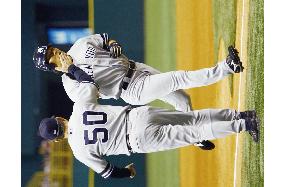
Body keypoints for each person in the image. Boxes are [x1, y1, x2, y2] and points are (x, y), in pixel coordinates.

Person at [38, 61, 259, 179]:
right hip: (139, 114)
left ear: (57, 140)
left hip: (138, 140)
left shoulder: (79, 150)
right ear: (58, 118)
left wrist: (128, 172)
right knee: (193, 118)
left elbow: (108, 172)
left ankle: (244, 124)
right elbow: (88, 82)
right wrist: (72, 69)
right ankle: (240, 115)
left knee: (194, 134)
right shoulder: (79, 108)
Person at [33, 33, 244, 150]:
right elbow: (91, 95)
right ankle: (227, 67)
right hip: (132, 89)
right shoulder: (70, 86)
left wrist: (114, 44)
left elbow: (105, 39)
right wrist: (72, 69)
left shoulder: (78, 45)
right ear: (50, 67)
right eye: (51, 55)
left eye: (52, 48)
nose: (55, 52)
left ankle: (195, 137)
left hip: (137, 68)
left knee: (182, 98)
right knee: (178, 78)